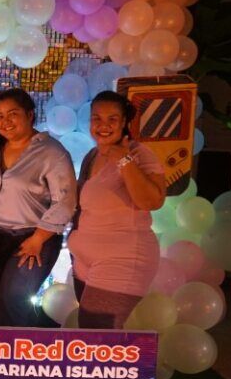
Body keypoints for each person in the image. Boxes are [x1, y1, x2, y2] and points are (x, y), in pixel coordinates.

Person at [0, 88, 76, 327]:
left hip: (32, 240)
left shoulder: (51, 153)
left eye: (13, 114)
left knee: (13, 298)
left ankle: (19, 348)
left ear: (30, 114)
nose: (5, 121)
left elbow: (65, 201)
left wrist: (38, 239)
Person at [68, 91, 166, 329]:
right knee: (92, 333)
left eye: (112, 119)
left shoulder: (139, 153)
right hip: (85, 261)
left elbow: (152, 201)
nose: (103, 125)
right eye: (97, 118)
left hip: (122, 258)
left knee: (97, 333)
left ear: (124, 122)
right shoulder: (92, 155)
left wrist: (124, 161)